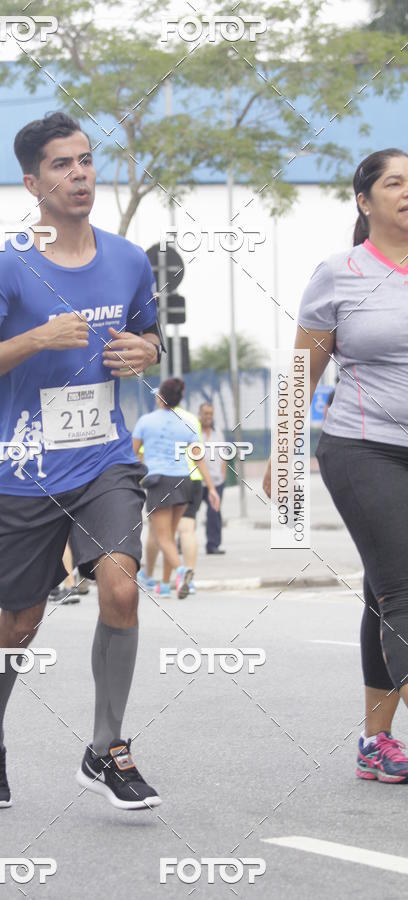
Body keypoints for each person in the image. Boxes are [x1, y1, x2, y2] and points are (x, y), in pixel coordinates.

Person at [0, 111, 165, 810]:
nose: (81, 174)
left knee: (123, 586)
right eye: (64, 165)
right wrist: (37, 339)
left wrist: (148, 351)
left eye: (87, 160)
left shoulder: (128, 259)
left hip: (105, 461)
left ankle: (107, 749)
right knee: (21, 621)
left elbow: (150, 331)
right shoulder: (8, 266)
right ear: (32, 182)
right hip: (28, 472)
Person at [263, 148, 408, 783]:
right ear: (364, 200)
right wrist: (283, 454)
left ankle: (377, 743)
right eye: (395, 182)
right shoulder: (339, 273)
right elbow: (304, 372)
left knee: (384, 591)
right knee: (404, 589)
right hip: (362, 447)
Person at [132, 378, 220, 599]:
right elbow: (198, 458)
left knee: (162, 537)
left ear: (160, 397)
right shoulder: (188, 422)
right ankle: (163, 585)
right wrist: (211, 488)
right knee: (170, 536)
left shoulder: (145, 421)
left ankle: (182, 572)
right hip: (185, 482)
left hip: (159, 482)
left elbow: (132, 455)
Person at [138, 403, 203, 594]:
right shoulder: (191, 419)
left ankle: (157, 575)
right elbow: (198, 453)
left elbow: (140, 454)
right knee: (186, 531)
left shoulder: (153, 421)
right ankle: (169, 583)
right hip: (192, 480)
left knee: (159, 535)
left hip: (163, 480)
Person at [199, 401, 227, 554]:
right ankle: (181, 543)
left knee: (214, 513)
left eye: (211, 413)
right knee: (187, 513)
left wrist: (222, 475)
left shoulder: (218, 433)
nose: (208, 416)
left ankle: (213, 545)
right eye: (206, 413)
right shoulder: (195, 432)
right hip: (198, 480)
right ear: (200, 414)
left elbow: (224, 455)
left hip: (216, 481)